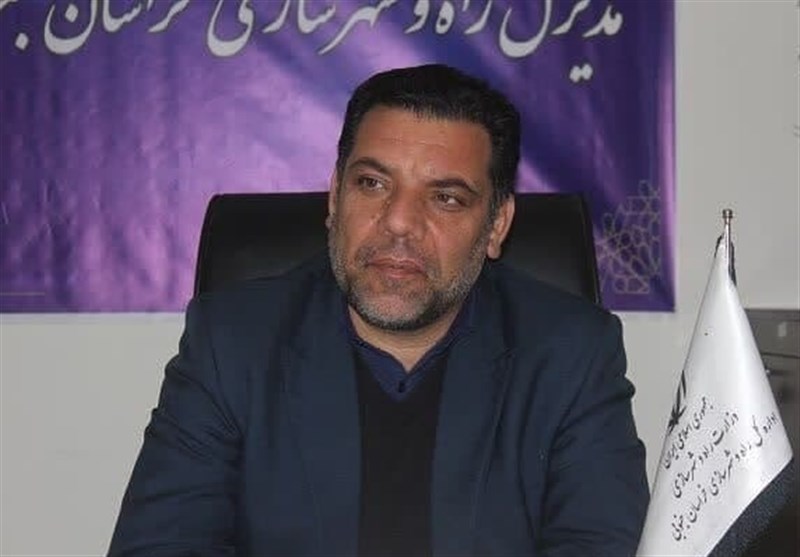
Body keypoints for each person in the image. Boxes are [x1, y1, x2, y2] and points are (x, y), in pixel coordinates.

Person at [109, 64, 648, 556]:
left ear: (497, 226)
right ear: (334, 197)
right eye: (372, 184)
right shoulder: (233, 344)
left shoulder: (570, 355)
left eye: (446, 198)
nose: (398, 222)